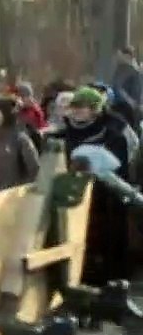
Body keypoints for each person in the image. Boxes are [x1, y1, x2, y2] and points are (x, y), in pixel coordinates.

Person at [47, 87, 135, 285]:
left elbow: (120, 170)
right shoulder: (61, 136)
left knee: (104, 244)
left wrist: (95, 169)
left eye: (83, 107)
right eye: (75, 106)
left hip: (104, 202)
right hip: (71, 198)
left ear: (95, 109)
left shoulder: (113, 134)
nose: (77, 111)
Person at [0, 98, 40, 194]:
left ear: (5, 113)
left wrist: (20, 191)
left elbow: (34, 169)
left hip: (10, 198)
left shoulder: (19, 138)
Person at [111, 47, 143, 126]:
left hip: (126, 107)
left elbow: (117, 87)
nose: (117, 58)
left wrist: (131, 102)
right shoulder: (130, 69)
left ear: (126, 56)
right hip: (129, 107)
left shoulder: (126, 69)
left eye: (119, 55)